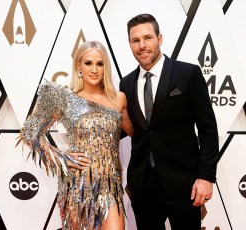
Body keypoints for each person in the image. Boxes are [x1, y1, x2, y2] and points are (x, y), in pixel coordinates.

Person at [17, 40, 133, 229]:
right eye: (88, 63)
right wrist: (61, 158)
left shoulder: (118, 99)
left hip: (111, 186)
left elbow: (140, 134)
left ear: (105, 67)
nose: (94, 69)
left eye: (100, 63)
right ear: (78, 65)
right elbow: (30, 132)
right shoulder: (65, 99)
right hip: (78, 186)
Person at [119, 13, 220, 229]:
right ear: (130, 44)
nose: (142, 45)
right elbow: (125, 129)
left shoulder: (188, 73)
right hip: (143, 187)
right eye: (135, 40)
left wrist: (206, 177)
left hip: (184, 185)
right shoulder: (126, 84)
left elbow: (208, 129)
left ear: (160, 38)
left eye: (148, 38)